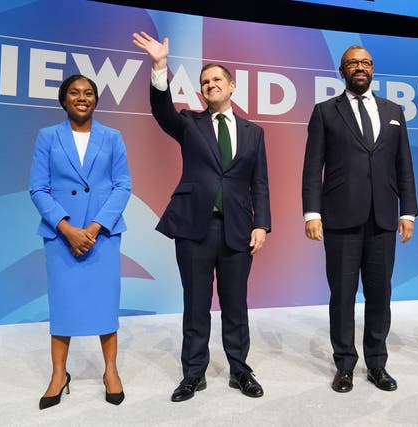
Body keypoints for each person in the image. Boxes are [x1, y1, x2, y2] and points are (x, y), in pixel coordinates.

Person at [132, 32, 271, 401]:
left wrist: (262, 224)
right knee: (195, 305)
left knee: (235, 305)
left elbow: (260, 183)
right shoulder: (189, 124)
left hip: (238, 229)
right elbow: (161, 111)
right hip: (194, 226)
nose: (210, 85)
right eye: (205, 82)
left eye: (216, 80)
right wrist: (159, 66)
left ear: (232, 86)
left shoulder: (254, 133)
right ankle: (193, 373)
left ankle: (240, 370)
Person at [302, 45, 418, 393]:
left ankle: (377, 364)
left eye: (366, 63)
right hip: (340, 219)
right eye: (353, 63)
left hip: (383, 218)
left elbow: (405, 167)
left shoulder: (394, 111)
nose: (360, 67)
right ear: (342, 71)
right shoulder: (325, 112)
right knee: (343, 295)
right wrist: (312, 212)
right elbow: (312, 168)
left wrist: (408, 211)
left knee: (380, 294)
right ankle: (345, 365)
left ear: (373, 69)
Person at [29, 74, 131, 409]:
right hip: (61, 235)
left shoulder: (113, 137)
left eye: (88, 93)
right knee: (64, 306)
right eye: (74, 92)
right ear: (63, 99)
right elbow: (38, 188)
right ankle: (59, 374)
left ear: (96, 100)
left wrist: (96, 226)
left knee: (105, 302)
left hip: (102, 235)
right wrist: (67, 228)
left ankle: (111, 371)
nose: (82, 97)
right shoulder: (47, 137)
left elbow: (122, 186)